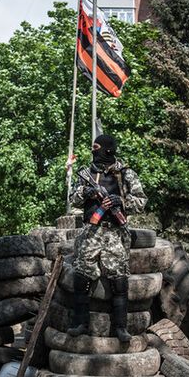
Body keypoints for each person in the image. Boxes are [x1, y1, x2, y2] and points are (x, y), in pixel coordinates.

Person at [67, 134, 147, 342]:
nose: (94, 152)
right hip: (91, 232)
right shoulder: (86, 174)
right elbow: (72, 200)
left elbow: (141, 202)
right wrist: (86, 192)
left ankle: (120, 328)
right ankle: (80, 324)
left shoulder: (126, 174)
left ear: (108, 150)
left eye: (97, 148)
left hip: (115, 232)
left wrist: (120, 201)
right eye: (93, 148)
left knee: (119, 281)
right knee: (81, 278)